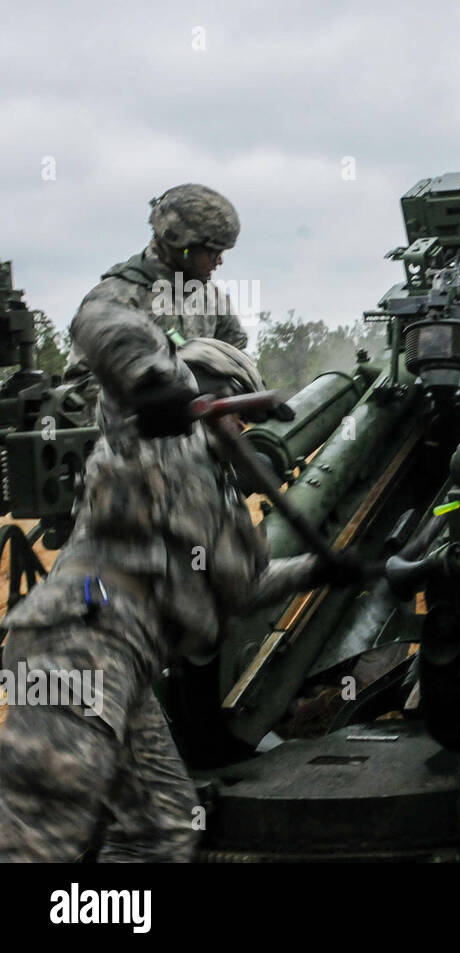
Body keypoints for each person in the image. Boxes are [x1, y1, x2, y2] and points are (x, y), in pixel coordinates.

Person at [0, 302, 351, 861]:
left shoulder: (222, 499)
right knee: (35, 841)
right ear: (211, 391)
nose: (242, 429)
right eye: (239, 412)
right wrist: (151, 381)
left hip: (128, 666)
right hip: (74, 649)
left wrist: (321, 568)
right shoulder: (145, 437)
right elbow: (99, 319)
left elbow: (241, 588)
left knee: (163, 827)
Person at [62, 183, 249, 415]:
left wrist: (246, 400)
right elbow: (77, 392)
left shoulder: (211, 297)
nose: (219, 262)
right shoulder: (113, 301)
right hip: (132, 446)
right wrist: (146, 402)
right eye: (212, 252)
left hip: (206, 442)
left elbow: (235, 359)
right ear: (183, 247)